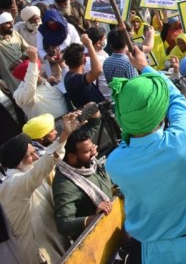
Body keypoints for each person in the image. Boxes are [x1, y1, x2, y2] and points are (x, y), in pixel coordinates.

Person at [105, 47, 186, 263]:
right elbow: (176, 99)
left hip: (155, 254)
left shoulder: (115, 162)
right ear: (160, 112)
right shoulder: (181, 140)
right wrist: (144, 66)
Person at [0, 112, 80, 264]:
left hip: (54, 237)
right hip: (40, 251)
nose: (36, 157)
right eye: (31, 155)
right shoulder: (12, 185)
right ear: (18, 161)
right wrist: (64, 135)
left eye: (35, 152)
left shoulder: (28, 171)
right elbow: (43, 166)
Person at [52, 128, 115, 241]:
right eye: (87, 151)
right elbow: (63, 224)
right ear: (71, 157)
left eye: (92, 148)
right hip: (101, 239)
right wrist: (93, 219)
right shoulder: (65, 185)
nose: (93, 153)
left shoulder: (90, 163)